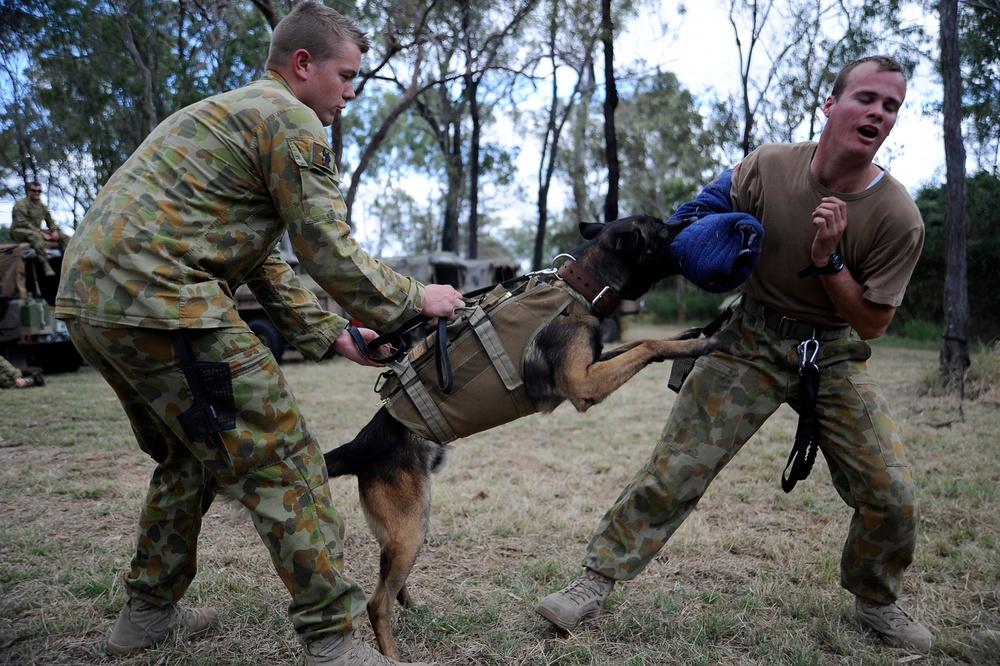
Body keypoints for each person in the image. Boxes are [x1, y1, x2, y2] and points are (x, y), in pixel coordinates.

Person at [54, 3, 463, 665]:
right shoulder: (291, 119)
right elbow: (327, 248)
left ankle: (147, 614)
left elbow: (263, 257)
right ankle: (334, 642)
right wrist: (418, 297)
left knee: (190, 456)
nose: (351, 93)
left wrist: (336, 334)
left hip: (90, 303)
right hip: (167, 302)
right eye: (346, 76)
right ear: (303, 64)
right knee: (286, 462)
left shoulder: (224, 114)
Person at [535, 55, 933, 653]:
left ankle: (876, 600)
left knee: (891, 491)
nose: (878, 112)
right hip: (748, 339)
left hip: (831, 351)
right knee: (676, 467)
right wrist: (681, 250)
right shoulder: (768, 167)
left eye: (891, 105)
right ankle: (594, 581)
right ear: (831, 105)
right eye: (866, 98)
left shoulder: (898, 216)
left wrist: (829, 259)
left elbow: (873, 323)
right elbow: (692, 219)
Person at [11, 181, 63, 278]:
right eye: (33, 190)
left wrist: (54, 231)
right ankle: (45, 264)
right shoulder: (21, 204)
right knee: (35, 237)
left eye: (39, 191)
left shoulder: (42, 206)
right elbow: (22, 223)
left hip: (36, 230)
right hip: (19, 230)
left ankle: (71, 258)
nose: (36, 193)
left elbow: (50, 221)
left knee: (64, 236)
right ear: (28, 191)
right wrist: (41, 233)